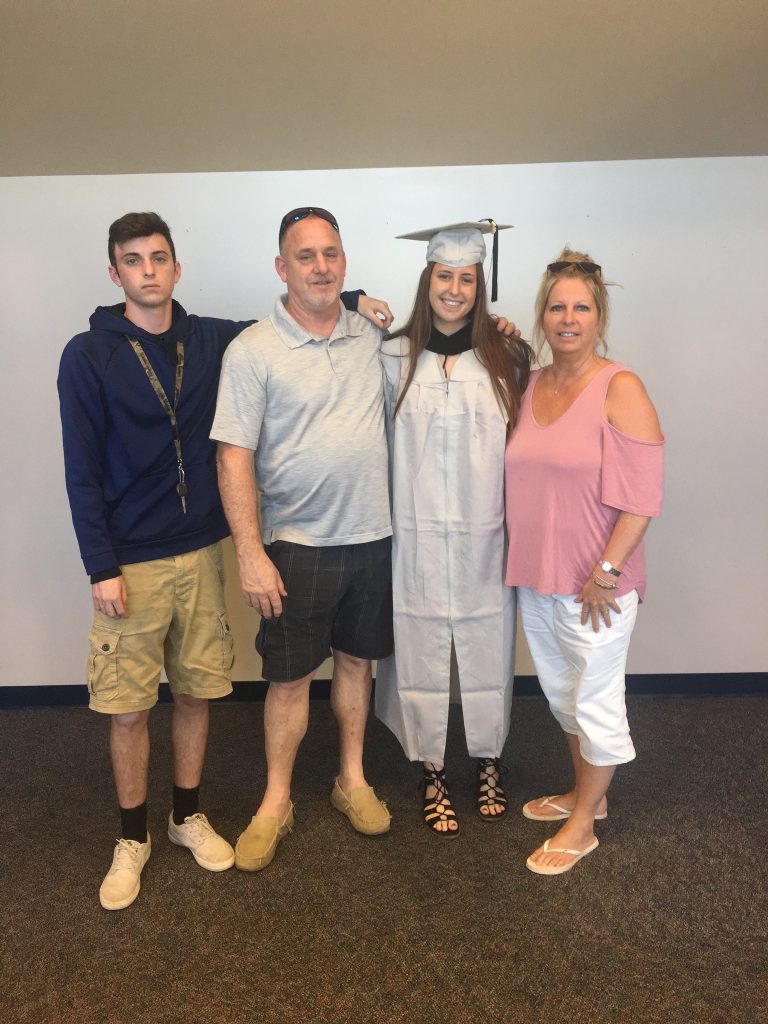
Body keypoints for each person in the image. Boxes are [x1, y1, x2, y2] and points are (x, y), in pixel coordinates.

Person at [58, 210, 392, 909]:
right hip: (141, 559)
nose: (148, 271)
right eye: (134, 260)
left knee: (197, 694)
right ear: (115, 272)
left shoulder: (211, 338)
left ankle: (188, 817)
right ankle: (137, 837)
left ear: (177, 268)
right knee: (128, 708)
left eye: (159, 258)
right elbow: (83, 471)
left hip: (210, 550)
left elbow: (305, 313)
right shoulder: (91, 356)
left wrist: (357, 302)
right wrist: (101, 566)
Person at [211, 207, 395, 872]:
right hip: (295, 547)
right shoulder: (253, 350)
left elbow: (449, 339)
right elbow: (233, 457)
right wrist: (251, 553)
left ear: (344, 262)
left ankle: (352, 780)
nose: (320, 266)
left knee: (356, 665)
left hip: (374, 540)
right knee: (288, 682)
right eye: (305, 256)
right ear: (281, 267)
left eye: (331, 254)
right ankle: (276, 801)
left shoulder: (374, 333)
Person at [504, 248, 664, 875]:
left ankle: (583, 825)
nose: (568, 318)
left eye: (581, 307)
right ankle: (585, 799)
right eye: (557, 306)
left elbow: (643, 496)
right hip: (538, 576)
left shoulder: (619, 387)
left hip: (597, 582)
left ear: (600, 316)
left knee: (596, 700)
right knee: (564, 697)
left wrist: (608, 572)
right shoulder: (533, 383)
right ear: (543, 316)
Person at [374, 221, 533, 837]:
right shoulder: (391, 355)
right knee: (416, 644)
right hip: (412, 536)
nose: (455, 289)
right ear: (427, 279)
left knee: (489, 643)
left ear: (479, 286)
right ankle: (432, 768)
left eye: (468, 279)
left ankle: (489, 759)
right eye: (445, 276)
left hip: (484, 533)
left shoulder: (507, 357)